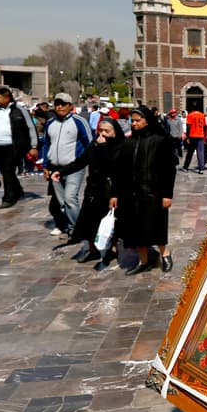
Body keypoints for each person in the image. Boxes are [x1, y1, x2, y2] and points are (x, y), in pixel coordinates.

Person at [110, 106, 176, 275]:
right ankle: (144, 260)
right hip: (132, 194)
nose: (134, 124)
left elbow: (168, 169)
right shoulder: (128, 143)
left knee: (156, 226)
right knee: (136, 229)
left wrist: (167, 194)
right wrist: (115, 193)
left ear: (147, 121)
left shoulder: (159, 141)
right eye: (132, 120)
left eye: (138, 120)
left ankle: (165, 253)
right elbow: (119, 171)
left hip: (154, 193)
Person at [55, 116, 121, 267]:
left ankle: (112, 249)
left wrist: (115, 194)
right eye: (100, 131)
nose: (102, 134)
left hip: (111, 189)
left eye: (107, 131)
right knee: (89, 220)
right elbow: (81, 161)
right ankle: (92, 249)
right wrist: (62, 171)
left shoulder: (119, 146)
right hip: (94, 188)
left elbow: (112, 167)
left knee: (110, 222)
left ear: (115, 132)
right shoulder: (94, 145)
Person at [42, 93, 92, 240]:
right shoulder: (50, 123)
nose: (60, 107)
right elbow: (46, 144)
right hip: (55, 168)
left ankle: (78, 230)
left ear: (70, 106)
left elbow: (89, 143)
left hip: (74, 166)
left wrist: (89, 162)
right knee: (62, 201)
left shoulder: (79, 121)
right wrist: (45, 165)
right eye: (57, 103)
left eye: (63, 104)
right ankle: (69, 227)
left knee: (70, 198)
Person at [0, 88, 38, 209]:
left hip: (14, 147)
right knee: (5, 171)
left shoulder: (20, 110)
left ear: (7, 98)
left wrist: (33, 146)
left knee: (8, 171)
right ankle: (17, 189)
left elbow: (31, 128)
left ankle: (9, 197)